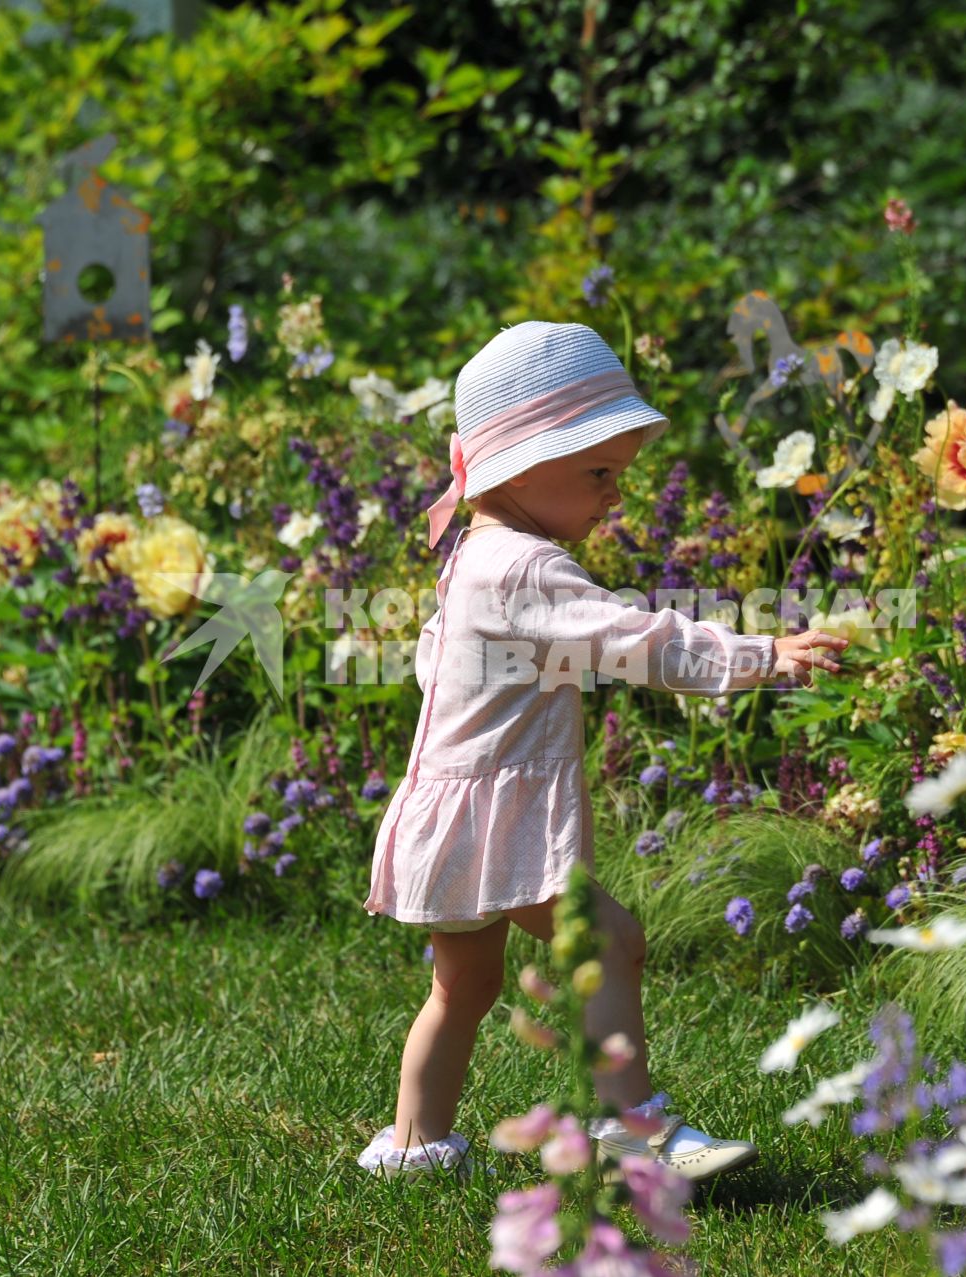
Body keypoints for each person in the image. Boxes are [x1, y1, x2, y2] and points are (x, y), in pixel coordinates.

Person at [356, 321, 849, 1182]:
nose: (614, 496)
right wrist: (764, 656)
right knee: (610, 941)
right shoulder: (523, 567)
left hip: (452, 809)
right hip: (492, 816)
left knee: (462, 988)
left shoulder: (475, 550)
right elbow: (638, 641)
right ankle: (641, 1137)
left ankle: (412, 1147)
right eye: (598, 473)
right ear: (517, 462)